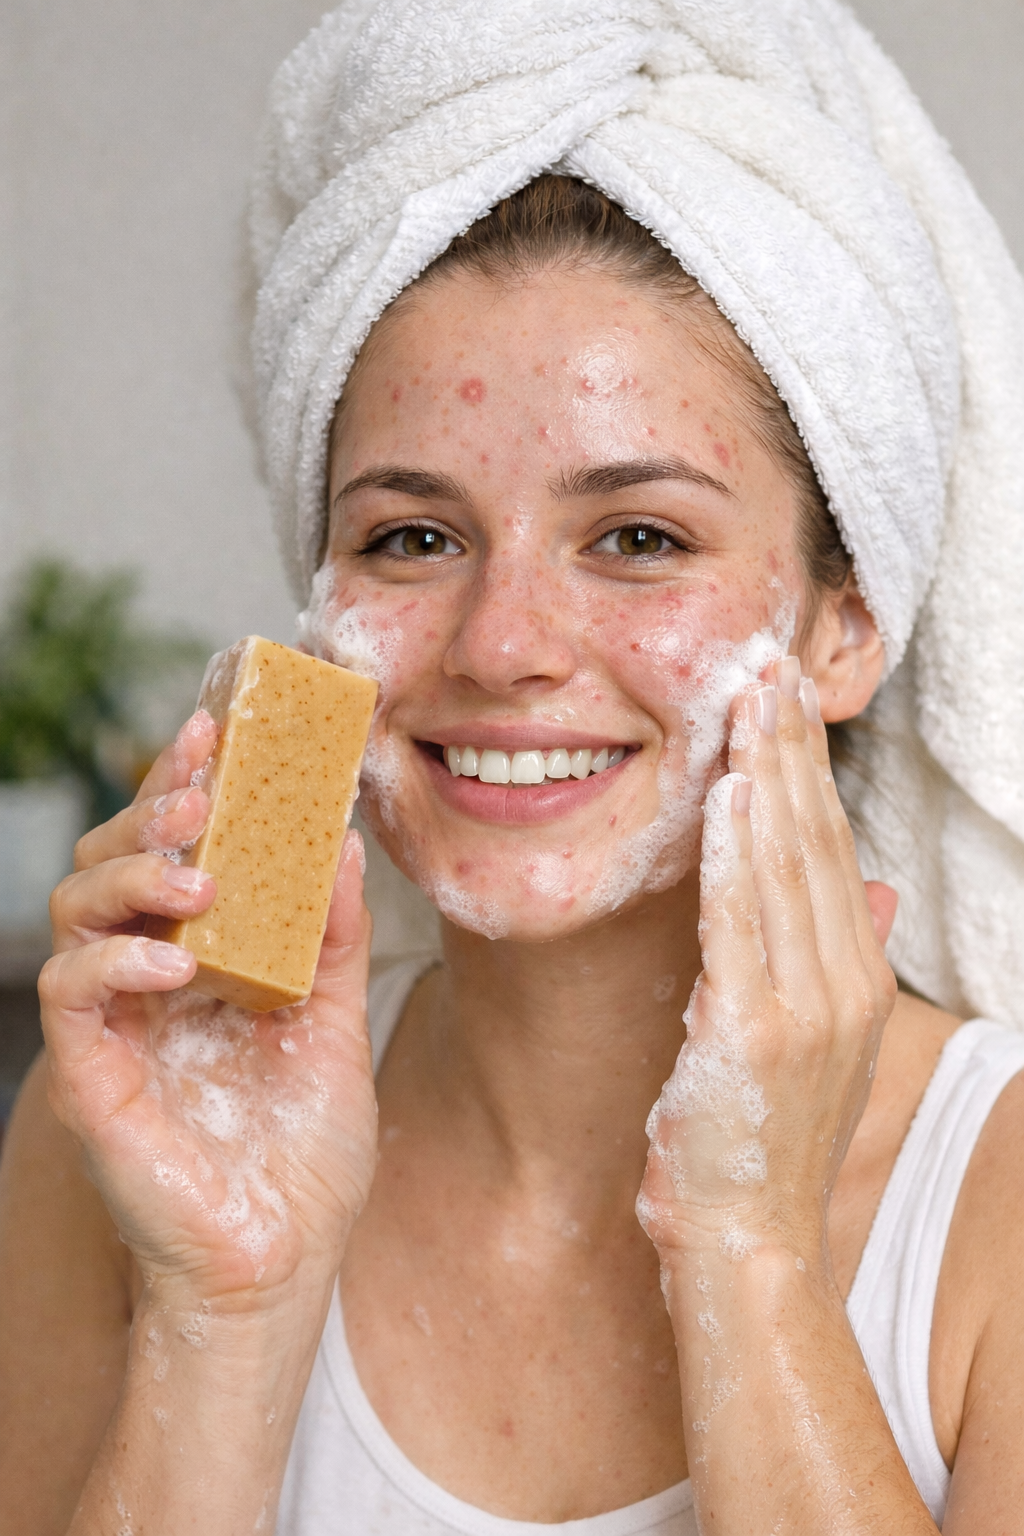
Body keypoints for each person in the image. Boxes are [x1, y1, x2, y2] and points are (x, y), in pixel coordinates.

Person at [3, 3, 1024, 1533]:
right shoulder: (138, 1143)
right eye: (411, 537)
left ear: (843, 629)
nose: (501, 645)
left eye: (638, 537)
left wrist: (749, 1244)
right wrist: (224, 1305)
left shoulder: (998, 1212)